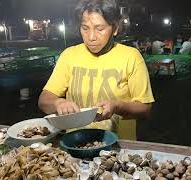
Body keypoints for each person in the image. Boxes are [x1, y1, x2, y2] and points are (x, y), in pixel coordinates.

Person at [38, 0, 155, 140]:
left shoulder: (131, 57)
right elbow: (44, 100)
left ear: (115, 28)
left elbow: (145, 109)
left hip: (118, 147)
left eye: (99, 29)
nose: (91, 37)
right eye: (85, 28)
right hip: (75, 143)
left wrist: (117, 106)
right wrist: (58, 103)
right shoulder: (69, 55)